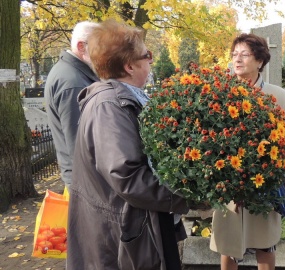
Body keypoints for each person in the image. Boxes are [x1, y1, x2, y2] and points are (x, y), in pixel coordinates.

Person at [67, 19, 189, 270]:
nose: (151, 61)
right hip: (123, 234)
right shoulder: (109, 107)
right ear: (129, 65)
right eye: (147, 55)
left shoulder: (124, 99)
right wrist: (187, 196)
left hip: (140, 221)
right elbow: (128, 176)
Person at [209, 33, 285, 270]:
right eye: (234, 54)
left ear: (259, 61)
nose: (237, 59)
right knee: (229, 245)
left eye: (244, 54)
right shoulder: (219, 93)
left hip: (264, 183)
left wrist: (270, 161)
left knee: (265, 244)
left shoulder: (278, 96)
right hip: (228, 182)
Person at [45, 21, 100, 190]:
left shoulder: (73, 74)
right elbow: (79, 145)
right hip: (87, 183)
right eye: (100, 46)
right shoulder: (73, 83)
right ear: (81, 46)